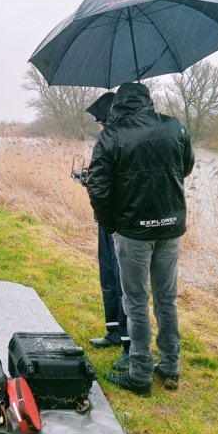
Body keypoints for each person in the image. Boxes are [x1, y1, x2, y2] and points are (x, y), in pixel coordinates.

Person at [86, 82, 194, 396]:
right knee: (166, 299)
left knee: (135, 302)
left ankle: (140, 372)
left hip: (132, 230)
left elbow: (98, 187)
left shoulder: (110, 136)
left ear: (118, 105)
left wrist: (111, 225)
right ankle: (171, 366)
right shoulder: (175, 127)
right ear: (147, 101)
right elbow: (185, 167)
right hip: (171, 226)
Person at [85, 92, 131, 373]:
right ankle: (113, 331)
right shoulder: (108, 140)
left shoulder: (124, 139)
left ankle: (129, 346)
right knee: (108, 277)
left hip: (121, 222)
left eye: (102, 122)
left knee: (125, 283)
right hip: (106, 219)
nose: (100, 127)